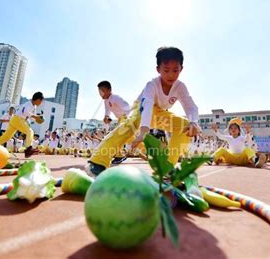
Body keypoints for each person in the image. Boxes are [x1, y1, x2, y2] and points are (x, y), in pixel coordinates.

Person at [85, 47, 200, 177]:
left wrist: (194, 122)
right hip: (140, 108)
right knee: (129, 127)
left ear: (181, 69)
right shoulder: (152, 85)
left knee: (186, 126)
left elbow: (190, 106)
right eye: (166, 70)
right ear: (158, 69)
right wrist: (143, 131)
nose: (171, 75)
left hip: (159, 113)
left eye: (175, 70)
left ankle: (167, 168)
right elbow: (147, 106)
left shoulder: (180, 87)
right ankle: (97, 162)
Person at [0, 92, 44, 158]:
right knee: (30, 131)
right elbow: (25, 112)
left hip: (15, 120)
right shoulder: (28, 104)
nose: (41, 103)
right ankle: (28, 149)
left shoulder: (34, 107)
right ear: (38, 99)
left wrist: (37, 118)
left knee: (6, 137)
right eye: (41, 101)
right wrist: (35, 116)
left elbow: (31, 117)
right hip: (18, 119)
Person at [97, 80, 131, 164]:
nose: (100, 93)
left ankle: (120, 156)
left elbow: (128, 107)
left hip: (126, 118)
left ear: (109, 90)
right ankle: (120, 155)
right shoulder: (106, 101)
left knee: (117, 136)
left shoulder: (116, 98)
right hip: (120, 119)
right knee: (130, 139)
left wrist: (128, 119)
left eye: (102, 91)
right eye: (99, 92)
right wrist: (106, 117)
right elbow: (107, 111)